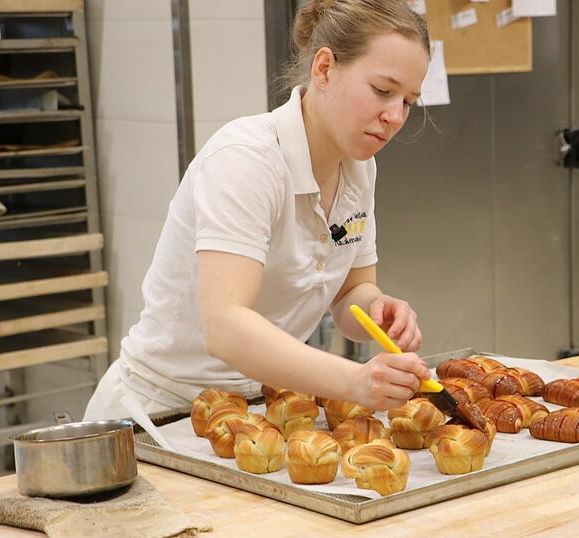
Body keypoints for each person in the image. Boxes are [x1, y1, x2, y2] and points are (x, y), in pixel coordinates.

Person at [84, 0, 432, 420]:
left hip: (258, 410)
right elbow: (226, 328)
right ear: (324, 69)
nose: (394, 116)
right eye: (382, 90)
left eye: (408, 101)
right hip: (160, 411)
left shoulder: (359, 169)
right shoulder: (247, 160)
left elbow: (348, 297)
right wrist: (355, 381)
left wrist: (378, 310)